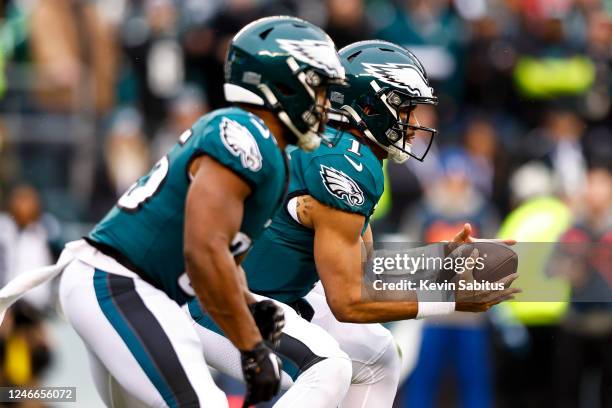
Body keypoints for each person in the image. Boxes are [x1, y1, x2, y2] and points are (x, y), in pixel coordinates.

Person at [0, 16, 346, 407]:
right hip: (120, 283)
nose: (324, 103)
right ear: (280, 83)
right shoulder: (245, 136)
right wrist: (251, 347)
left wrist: (250, 310)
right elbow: (203, 253)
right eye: (317, 86)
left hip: (129, 287)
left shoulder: (270, 154)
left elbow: (224, 265)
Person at [187, 40, 520, 407]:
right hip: (216, 304)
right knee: (328, 366)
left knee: (379, 354)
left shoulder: (354, 155)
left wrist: (437, 267)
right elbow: (348, 301)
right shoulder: (341, 163)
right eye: (405, 109)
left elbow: (363, 270)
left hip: (271, 292)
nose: (414, 124)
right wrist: (447, 297)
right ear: (369, 105)